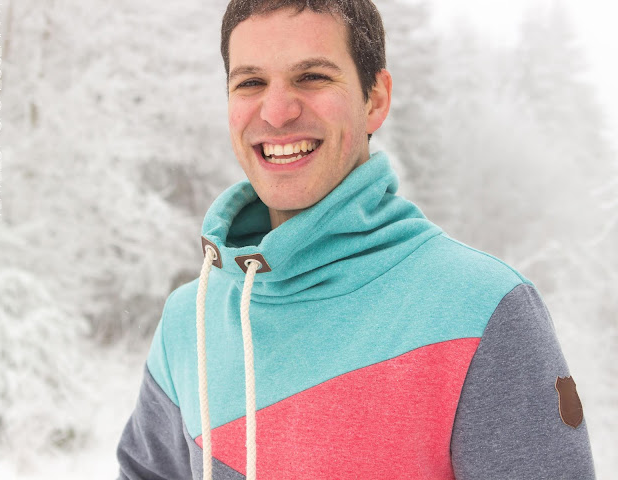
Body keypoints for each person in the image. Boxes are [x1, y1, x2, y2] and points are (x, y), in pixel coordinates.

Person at [116, 1, 596, 479]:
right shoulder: (189, 320)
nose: (277, 112)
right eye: (251, 82)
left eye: (312, 77)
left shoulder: (482, 309)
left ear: (375, 99)